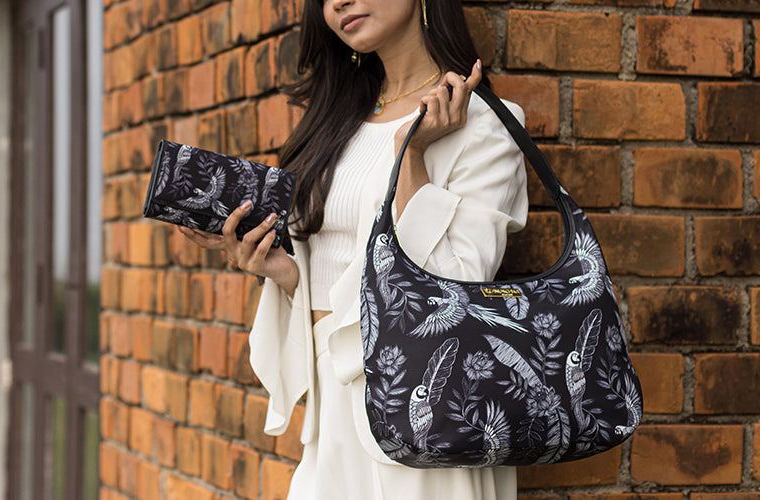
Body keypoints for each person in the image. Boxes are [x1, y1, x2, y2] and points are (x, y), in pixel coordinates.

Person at [174, 0, 528, 493]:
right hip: (332, 413)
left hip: (422, 419)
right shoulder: (337, 123)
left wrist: (415, 155)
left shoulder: (485, 125)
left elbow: (455, 286)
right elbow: (334, 276)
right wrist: (285, 273)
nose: (338, 2)